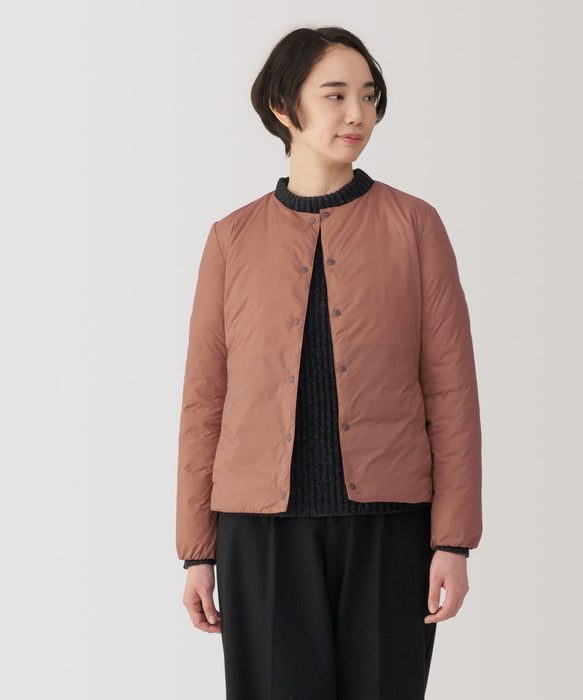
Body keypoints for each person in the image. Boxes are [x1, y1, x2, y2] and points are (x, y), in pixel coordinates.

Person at [176, 26, 482, 699]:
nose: (357, 114)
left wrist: (453, 541)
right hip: (259, 533)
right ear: (283, 106)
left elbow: (451, 392)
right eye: (336, 95)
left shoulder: (415, 225)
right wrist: (197, 550)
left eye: (368, 96)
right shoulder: (231, 239)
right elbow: (205, 401)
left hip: (391, 529)